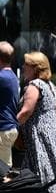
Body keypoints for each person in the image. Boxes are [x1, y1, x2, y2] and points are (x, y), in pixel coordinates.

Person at [14, 51, 56, 186]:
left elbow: (26, 112)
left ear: (36, 68)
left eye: (26, 64)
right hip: (49, 134)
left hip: (39, 135)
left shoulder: (35, 85)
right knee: (46, 166)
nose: (23, 67)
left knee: (38, 167)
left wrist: (11, 126)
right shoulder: (48, 84)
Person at [0, 43, 19, 173]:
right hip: (9, 128)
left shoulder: (2, 77)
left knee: (4, 172)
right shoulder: (12, 76)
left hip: (2, 130)